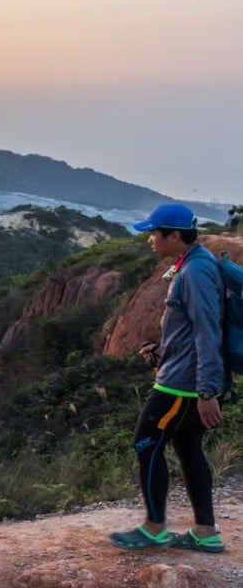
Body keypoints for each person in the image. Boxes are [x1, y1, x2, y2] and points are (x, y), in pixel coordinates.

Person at [109, 203, 225, 553]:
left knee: (145, 443)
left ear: (174, 235)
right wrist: (163, 352)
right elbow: (191, 330)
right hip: (182, 374)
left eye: (154, 232)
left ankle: (154, 527)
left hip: (182, 384)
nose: (149, 239)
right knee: (188, 448)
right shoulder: (193, 264)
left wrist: (207, 389)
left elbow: (207, 331)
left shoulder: (195, 272)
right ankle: (205, 533)